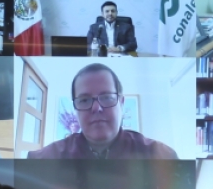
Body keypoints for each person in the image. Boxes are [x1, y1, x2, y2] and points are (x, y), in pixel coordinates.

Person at [28, 63, 178, 159]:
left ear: (121, 102)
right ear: (75, 109)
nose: (96, 108)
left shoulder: (162, 157)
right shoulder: (44, 159)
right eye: (85, 100)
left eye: (106, 97)